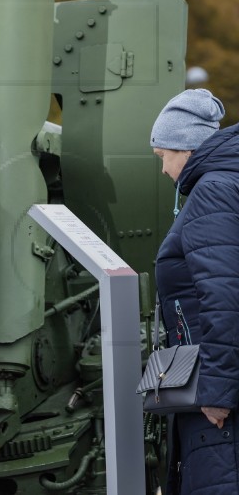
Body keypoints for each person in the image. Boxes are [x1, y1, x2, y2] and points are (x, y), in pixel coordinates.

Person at [150, 88, 239, 495]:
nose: (165, 170)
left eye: (163, 156)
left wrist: (218, 393)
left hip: (219, 410)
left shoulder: (212, 192)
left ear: (184, 147)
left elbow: (224, 297)